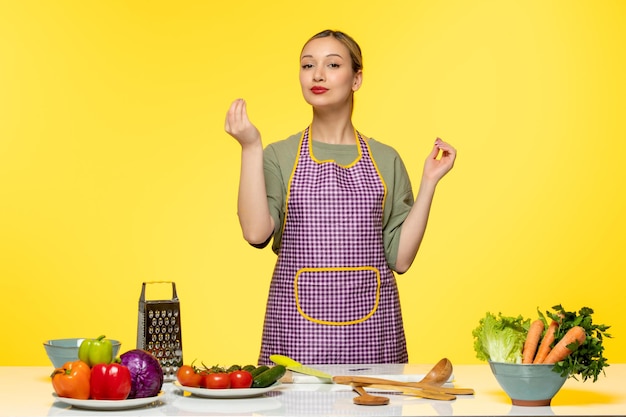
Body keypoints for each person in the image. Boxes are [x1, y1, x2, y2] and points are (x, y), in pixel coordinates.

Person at [224, 29, 456, 365]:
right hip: (297, 338)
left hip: (374, 337)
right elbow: (256, 233)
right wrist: (250, 146)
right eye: (307, 66)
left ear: (356, 78)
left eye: (332, 64)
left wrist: (430, 182)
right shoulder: (279, 155)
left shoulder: (385, 159)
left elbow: (400, 260)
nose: (317, 75)